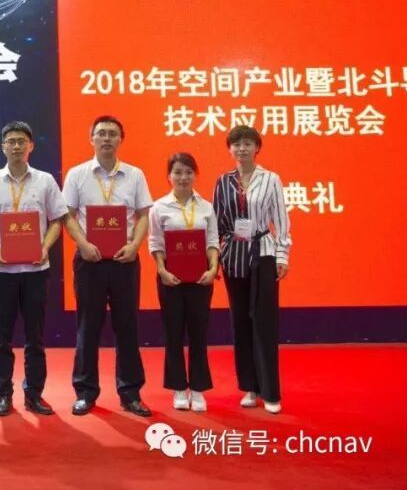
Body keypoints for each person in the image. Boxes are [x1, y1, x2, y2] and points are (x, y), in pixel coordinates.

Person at [0, 121, 67, 416]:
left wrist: (45, 247)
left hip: (37, 270)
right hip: (2, 272)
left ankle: (34, 394)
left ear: (31, 146)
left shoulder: (45, 181)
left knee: (35, 337)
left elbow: (58, 219)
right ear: (3, 146)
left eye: (21, 141)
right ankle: (3, 393)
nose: (16, 146)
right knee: (2, 336)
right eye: (10, 141)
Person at [62, 115, 154, 417]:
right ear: (91, 139)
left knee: (127, 326)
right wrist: (83, 244)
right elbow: (67, 215)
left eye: (112, 134)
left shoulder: (135, 175)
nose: (106, 138)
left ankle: (130, 393)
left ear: (120, 140)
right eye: (101, 133)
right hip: (89, 261)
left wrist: (135, 245)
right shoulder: (77, 174)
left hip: (124, 260)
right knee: (87, 327)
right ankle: (85, 392)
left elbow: (144, 215)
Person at [212, 125, 291, 414]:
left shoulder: (271, 179)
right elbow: (216, 222)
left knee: (264, 322)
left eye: (247, 143)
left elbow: (281, 220)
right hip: (233, 256)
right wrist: (214, 258)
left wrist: (283, 255)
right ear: (229, 149)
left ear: (257, 148)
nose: (241, 148)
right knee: (240, 322)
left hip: (263, 252)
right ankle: (250, 387)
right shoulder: (223, 182)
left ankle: (270, 392)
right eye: (236, 144)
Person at [148, 152, 219, 413]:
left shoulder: (206, 206)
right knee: (174, 333)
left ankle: (198, 389)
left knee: (199, 334)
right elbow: (155, 242)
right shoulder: (159, 207)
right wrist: (162, 270)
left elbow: (212, 240)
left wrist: (213, 268)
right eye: (177, 172)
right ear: (169, 176)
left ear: (195, 175)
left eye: (188, 172)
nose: (183, 177)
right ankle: (178, 388)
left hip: (201, 280)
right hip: (171, 280)